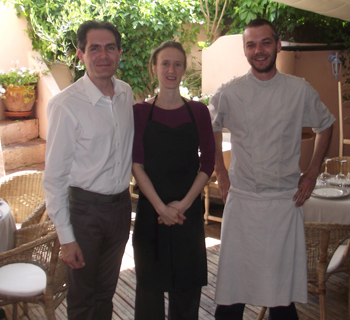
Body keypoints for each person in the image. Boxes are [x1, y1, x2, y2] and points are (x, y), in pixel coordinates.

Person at [209, 18, 335, 320]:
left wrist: (312, 172)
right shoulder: (230, 92)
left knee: (282, 300)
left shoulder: (298, 90)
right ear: (245, 51)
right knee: (231, 296)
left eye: (265, 42)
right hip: (243, 204)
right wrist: (221, 172)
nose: (259, 50)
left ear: (277, 46)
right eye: (251, 44)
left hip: (283, 204)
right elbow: (209, 126)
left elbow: (326, 124)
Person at [43, 20, 134, 320]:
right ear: (81, 54)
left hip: (121, 209)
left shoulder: (126, 94)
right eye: (94, 48)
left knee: (105, 293)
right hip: (84, 213)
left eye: (110, 48)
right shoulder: (65, 105)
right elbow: (53, 180)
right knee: (82, 297)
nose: (103, 55)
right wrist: (66, 238)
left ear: (120, 52)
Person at [131, 40, 215, 320]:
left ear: (183, 69)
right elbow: (136, 164)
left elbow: (208, 162)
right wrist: (161, 208)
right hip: (150, 214)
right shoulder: (140, 112)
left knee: (187, 293)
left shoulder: (199, 112)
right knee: (149, 293)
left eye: (177, 64)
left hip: (187, 215)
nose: (171, 69)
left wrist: (182, 206)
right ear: (154, 67)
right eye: (165, 63)